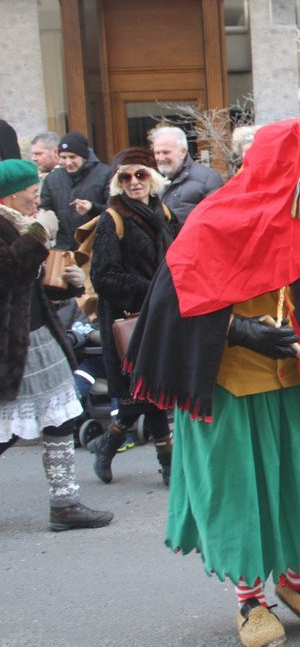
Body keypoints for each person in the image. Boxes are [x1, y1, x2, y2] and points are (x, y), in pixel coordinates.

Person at [126, 120, 300, 647]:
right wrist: (240, 331)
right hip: (228, 390)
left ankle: (297, 582)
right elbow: (172, 304)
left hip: (295, 386)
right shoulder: (215, 219)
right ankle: (251, 599)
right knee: (238, 495)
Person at [0, 158, 114, 531]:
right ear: (11, 194)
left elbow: (29, 286)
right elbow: (9, 273)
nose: (37, 201)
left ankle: (64, 505)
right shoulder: (16, 227)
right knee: (12, 426)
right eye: (32, 194)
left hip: (34, 336)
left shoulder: (17, 223)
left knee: (60, 416)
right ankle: (64, 506)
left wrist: (70, 283)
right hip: (12, 344)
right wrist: (36, 235)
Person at [86, 148, 178, 485]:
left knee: (148, 391)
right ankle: (168, 464)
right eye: (125, 177)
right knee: (146, 390)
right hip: (126, 319)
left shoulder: (165, 214)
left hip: (160, 313)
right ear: (117, 182)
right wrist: (152, 289)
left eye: (140, 174)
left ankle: (107, 445)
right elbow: (103, 276)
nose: (133, 182)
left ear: (152, 177)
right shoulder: (113, 218)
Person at [38, 131, 113, 250]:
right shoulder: (52, 178)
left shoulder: (105, 174)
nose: (68, 162)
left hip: (96, 247)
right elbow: (45, 209)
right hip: (63, 248)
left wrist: (92, 207)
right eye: (63, 157)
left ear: (84, 156)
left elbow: (114, 210)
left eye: (72, 157)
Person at [152, 125, 224, 225]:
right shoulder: (152, 182)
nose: (160, 158)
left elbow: (216, 219)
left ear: (183, 152)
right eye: (157, 153)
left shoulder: (208, 179)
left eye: (166, 152)